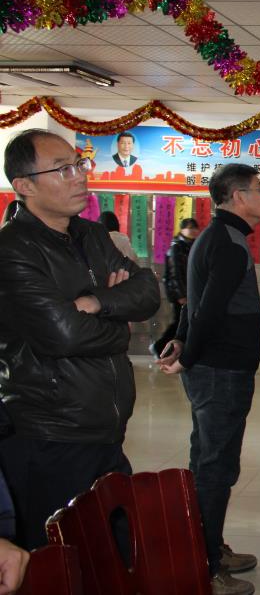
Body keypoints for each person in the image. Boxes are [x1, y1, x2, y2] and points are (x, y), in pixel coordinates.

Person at [0, 129, 160, 550]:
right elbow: (63, 335)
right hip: (51, 434)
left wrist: (96, 302)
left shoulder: (91, 235)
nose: (79, 176)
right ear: (25, 185)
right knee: (58, 560)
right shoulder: (13, 249)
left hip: (106, 430)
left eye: (79, 164)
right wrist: (119, 324)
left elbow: (147, 293)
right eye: (63, 169)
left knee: (115, 555)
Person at [158, 164, 260, 595]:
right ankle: (205, 565)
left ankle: (209, 547)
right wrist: (188, 355)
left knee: (208, 460)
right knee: (216, 467)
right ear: (238, 196)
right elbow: (208, 309)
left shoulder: (220, 236)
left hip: (219, 367)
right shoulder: (226, 242)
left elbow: (196, 302)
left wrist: (183, 342)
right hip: (220, 371)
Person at [152, 218, 200, 357]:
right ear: (182, 230)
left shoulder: (191, 245)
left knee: (181, 322)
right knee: (179, 323)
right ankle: (159, 347)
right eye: (189, 228)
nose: (193, 231)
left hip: (189, 292)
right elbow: (175, 274)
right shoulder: (177, 247)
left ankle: (169, 349)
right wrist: (181, 295)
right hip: (180, 293)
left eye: (195, 228)